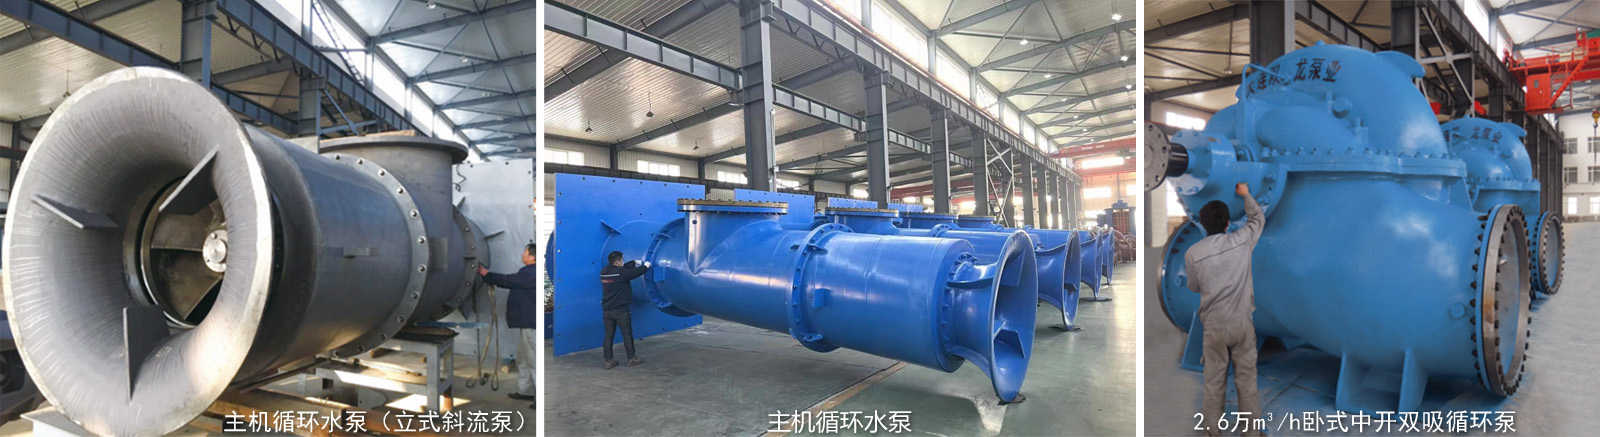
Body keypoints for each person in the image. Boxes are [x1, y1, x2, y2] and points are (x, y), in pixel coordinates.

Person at [1184, 183, 1265, 437]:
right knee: (1246, 380)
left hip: (1214, 327)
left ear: (1204, 224)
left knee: (1213, 382)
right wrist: (1246, 195)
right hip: (1241, 323)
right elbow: (1257, 219)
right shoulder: (1242, 241)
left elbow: (1194, 287)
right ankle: (1251, 433)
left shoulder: (1193, 254)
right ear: (1228, 223)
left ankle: (1212, 432)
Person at [478, 243, 540, 408]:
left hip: (532, 326)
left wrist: (486, 274)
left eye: (525, 252)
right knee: (523, 359)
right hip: (527, 324)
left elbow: (508, 280)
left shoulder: (531, 272)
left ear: (532, 256)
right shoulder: (530, 272)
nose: (522, 255)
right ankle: (525, 390)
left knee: (534, 361)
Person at [599, 251, 650, 369]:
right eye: (622, 259)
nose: (623, 261)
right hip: (620, 310)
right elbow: (633, 273)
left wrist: (633, 262)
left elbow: (623, 270)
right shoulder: (621, 273)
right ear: (618, 261)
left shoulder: (604, 272)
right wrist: (646, 266)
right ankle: (632, 358)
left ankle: (608, 361)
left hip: (607, 310)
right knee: (627, 334)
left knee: (608, 335)